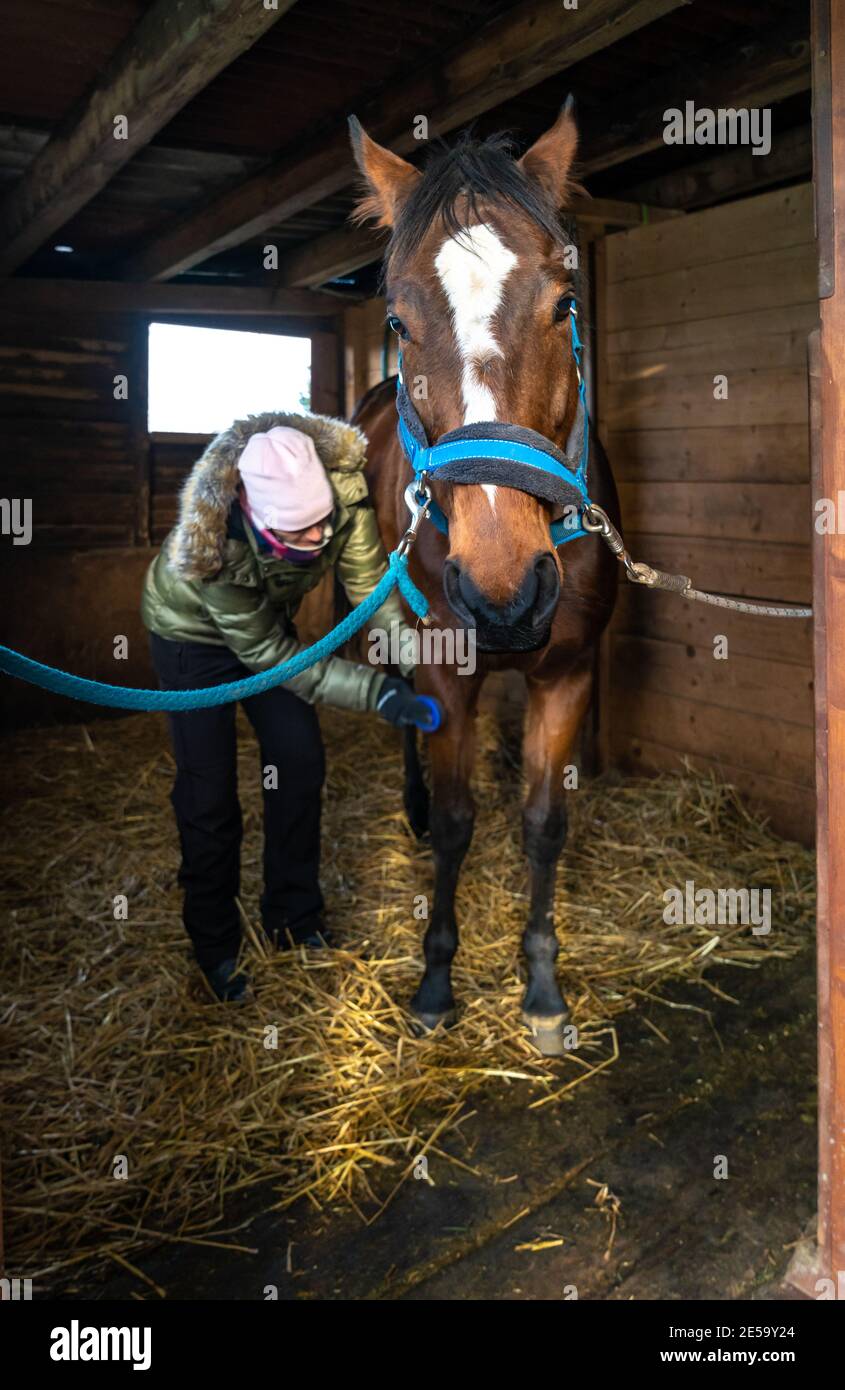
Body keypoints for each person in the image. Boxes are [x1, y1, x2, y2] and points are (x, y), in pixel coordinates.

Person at [141, 410, 428, 1002]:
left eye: (322, 525)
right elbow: (276, 660)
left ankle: (294, 921)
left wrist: (413, 665)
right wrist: (376, 693)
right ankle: (216, 946)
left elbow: (372, 587)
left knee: (298, 760)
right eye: (299, 535)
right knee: (209, 791)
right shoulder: (214, 546)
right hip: (193, 640)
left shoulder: (343, 498)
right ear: (254, 511)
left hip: (268, 626)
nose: (318, 540)